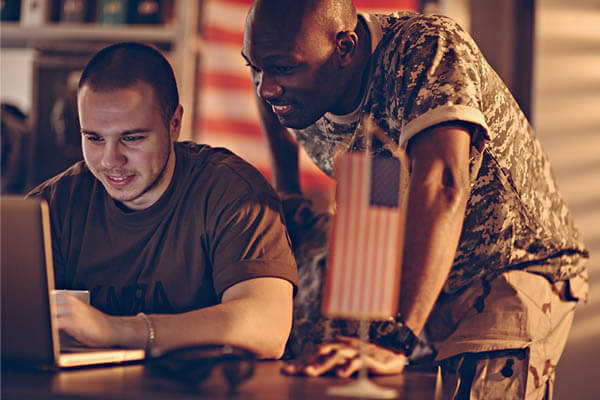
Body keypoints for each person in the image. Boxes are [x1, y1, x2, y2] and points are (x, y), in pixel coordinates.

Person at [242, 0, 589, 397]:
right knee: (324, 368)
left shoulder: (427, 48)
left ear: (344, 48)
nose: (266, 87)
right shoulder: (284, 83)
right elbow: (269, 88)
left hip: (508, 264)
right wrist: (287, 187)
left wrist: (395, 338)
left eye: (284, 67)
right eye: (255, 67)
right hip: (405, 247)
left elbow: (442, 183)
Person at [27, 42, 298, 359]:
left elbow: (269, 327)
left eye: (132, 138)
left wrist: (116, 330)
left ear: (174, 124)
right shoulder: (51, 205)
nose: (110, 160)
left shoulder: (233, 192)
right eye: (94, 138)